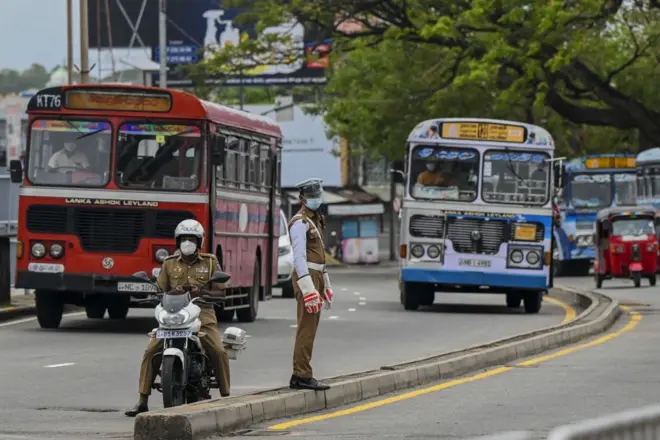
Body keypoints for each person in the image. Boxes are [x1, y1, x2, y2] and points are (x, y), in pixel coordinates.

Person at [125, 219, 231, 417]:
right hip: (172, 315)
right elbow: (159, 289)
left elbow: (222, 293)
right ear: (178, 241)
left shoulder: (210, 262)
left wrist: (201, 291)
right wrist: (172, 292)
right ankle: (142, 400)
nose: (187, 243)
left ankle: (226, 397)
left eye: (191, 239)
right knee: (150, 351)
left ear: (199, 242)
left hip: (202, 313)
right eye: (184, 239)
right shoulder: (169, 263)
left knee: (218, 350)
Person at [288, 178, 334, 391]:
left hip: (315, 277)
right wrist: (308, 290)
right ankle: (301, 375)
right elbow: (299, 258)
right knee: (306, 328)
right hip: (306, 277)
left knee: (310, 328)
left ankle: (301, 374)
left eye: (318, 195)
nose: (316, 199)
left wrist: (326, 284)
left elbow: (319, 257)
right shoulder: (300, 222)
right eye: (311, 196)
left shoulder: (315, 219)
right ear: (303, 198)